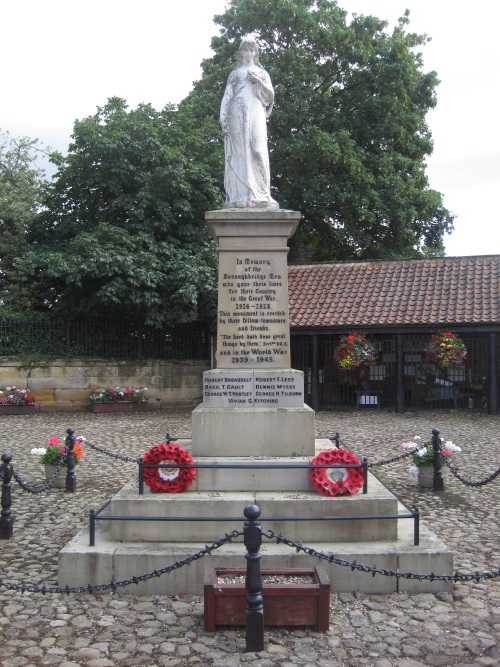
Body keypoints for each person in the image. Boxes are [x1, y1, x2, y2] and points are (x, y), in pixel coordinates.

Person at [220, 37, 278, 209]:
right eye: (245, 50)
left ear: (255, 53)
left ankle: (261, 193)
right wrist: (223, 116)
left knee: (257, 149)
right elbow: (227, 97)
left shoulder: (261, 73)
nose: (248, 53)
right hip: (236, 112)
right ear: (241, 53)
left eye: (251, 50)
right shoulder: (235, 74)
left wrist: (258, 82)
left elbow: (270, 97)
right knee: (240, 151)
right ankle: (241, 194)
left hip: (256, 113)